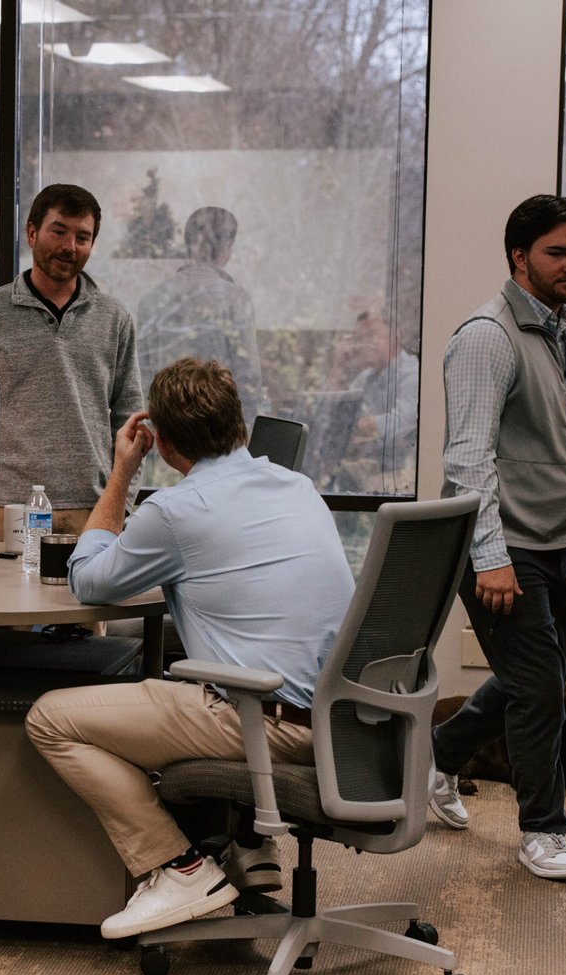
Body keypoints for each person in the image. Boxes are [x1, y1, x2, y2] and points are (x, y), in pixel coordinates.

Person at [25, 357, 355, 939]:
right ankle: (246, 845)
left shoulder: (176, 511)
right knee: (170, 646)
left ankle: (179, 867)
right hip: (344, 719)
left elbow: (87, 580)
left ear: (164, 442)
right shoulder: (298, 486)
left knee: (50, 718)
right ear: (238, 423)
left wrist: (122, 471)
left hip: (264, 721)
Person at [428, 193, 566, 883]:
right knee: (538, 692)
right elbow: (468, 459)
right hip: (501, 548)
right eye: (558, 252)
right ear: (519, 256)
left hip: (557, 541)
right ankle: (542, 830)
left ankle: (436, 757)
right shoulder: (486, 337)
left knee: (538, 680)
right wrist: (491, 559)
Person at [0, 183, 142, 535]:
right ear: (31, 233)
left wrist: (122, 500)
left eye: (82, 237)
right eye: (59, 231)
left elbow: (130, 419)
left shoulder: (115, 318)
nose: (70, 246)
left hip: (92, 509)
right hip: (5, 509)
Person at [135, 207, 266, 429]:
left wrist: (154, 431)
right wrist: (247, 428)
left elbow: (143, 374)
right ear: (227, 247)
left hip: (166, 428)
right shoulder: (235, 299)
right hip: (217, 430)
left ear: (188, 245)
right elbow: (248, 376)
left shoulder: (152, 299)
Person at [335, 308, 420, 492]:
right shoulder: (365, 378)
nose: (365, 344)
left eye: (372, 335)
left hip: (404, 476)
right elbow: (338, 417)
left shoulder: (413, 373)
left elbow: (399, 423)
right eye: (360, 338)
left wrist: (359, 425)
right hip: (366, 470)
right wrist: (340, 366)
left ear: (395, 337)